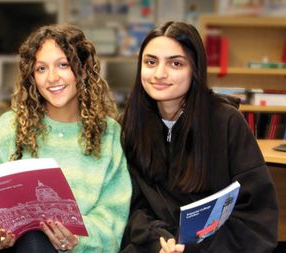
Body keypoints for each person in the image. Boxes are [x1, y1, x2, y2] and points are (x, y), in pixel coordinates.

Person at [0, 23, 132, 253]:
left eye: (63, 65)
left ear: (83, 70)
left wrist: (78, 238)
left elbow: (113, 219)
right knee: (33, 240)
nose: (52, 78)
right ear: (32, 77)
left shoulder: (108, 133)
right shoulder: (8, 128)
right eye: (41, 69)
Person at [119, 21, 278, 253]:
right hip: (154, 246)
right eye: (150, 62)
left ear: (195, 68)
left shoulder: (226, 122)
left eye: (175, 63)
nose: (159, 74)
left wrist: (192, 248)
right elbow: (131, 206)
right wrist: (160, 240)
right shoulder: (131, 124)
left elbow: (257, 214)